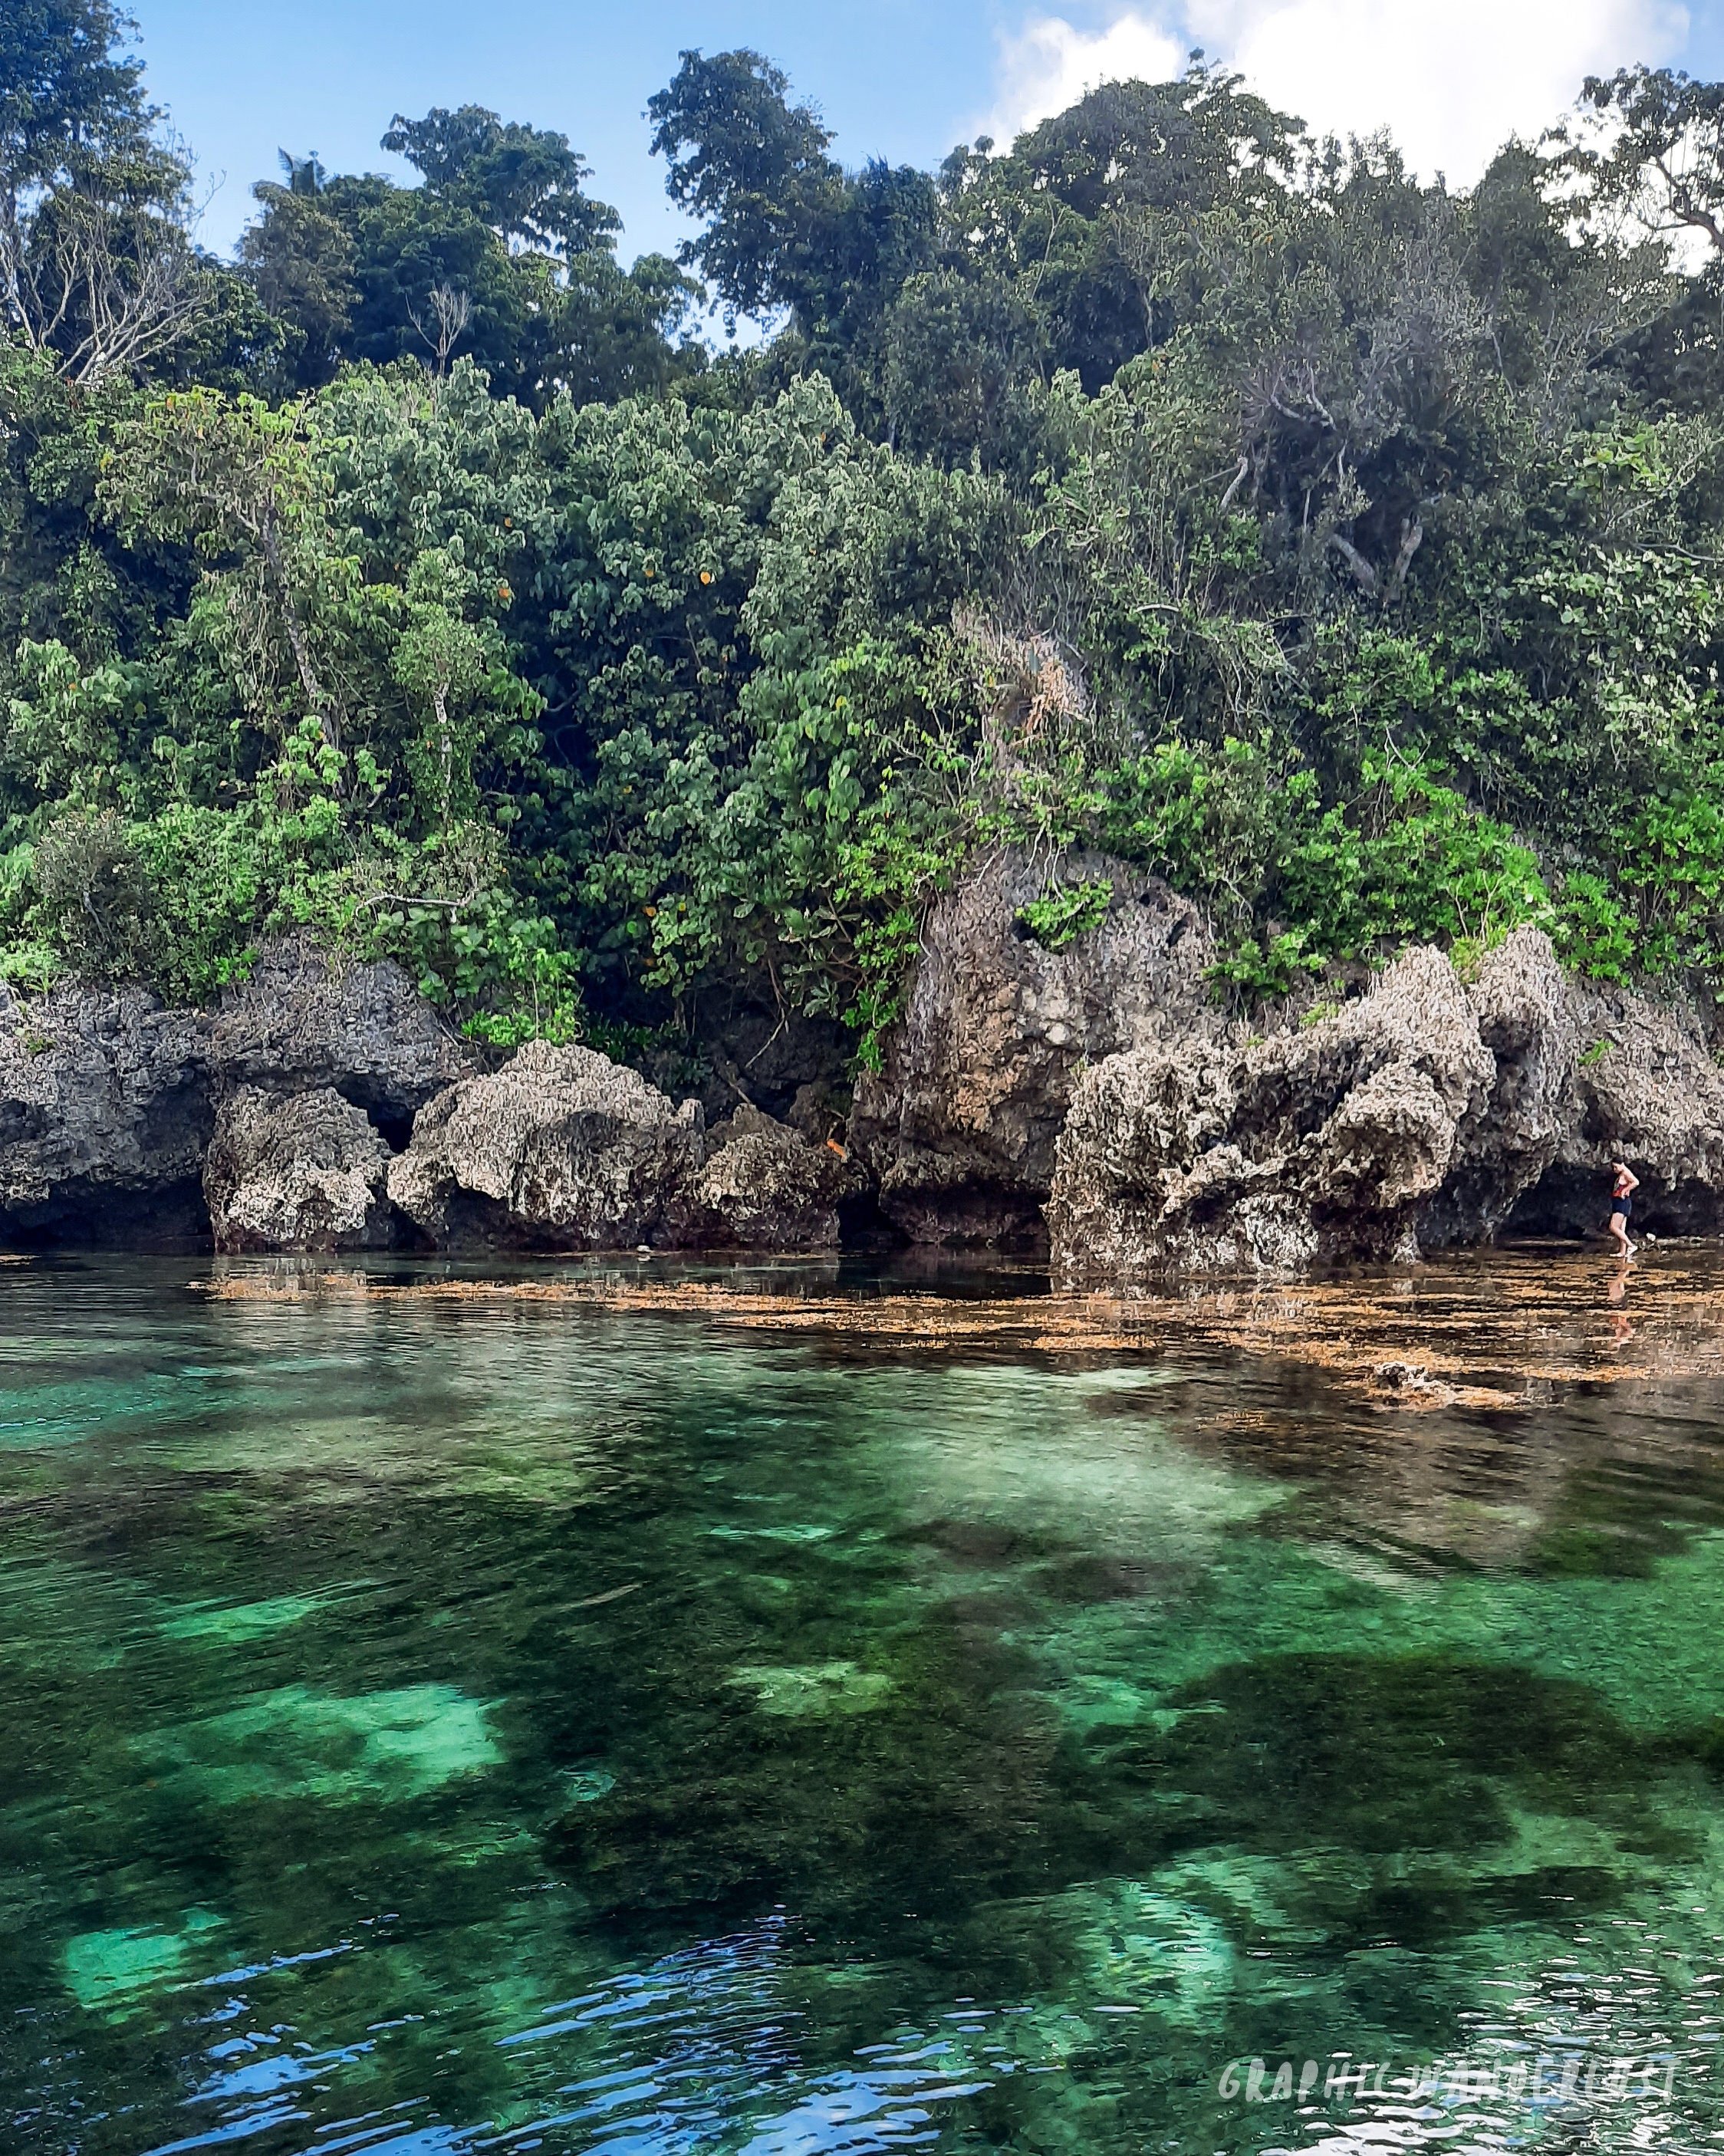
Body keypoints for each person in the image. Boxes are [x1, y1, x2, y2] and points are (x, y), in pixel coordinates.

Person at [1608, 1160, 1640, 1256]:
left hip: (1622, 1202)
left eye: (1616, 1167)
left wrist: (1625, 1190)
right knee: (1622, 1228)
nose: (1615, 1170)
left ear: (1622, 1164)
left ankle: (1631, 1245)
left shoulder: (1626, 1172)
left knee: (1613, 1227)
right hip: (1620, 1202)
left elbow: (1636, 1182)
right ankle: (1623, 1252)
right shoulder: (1622, 1173)